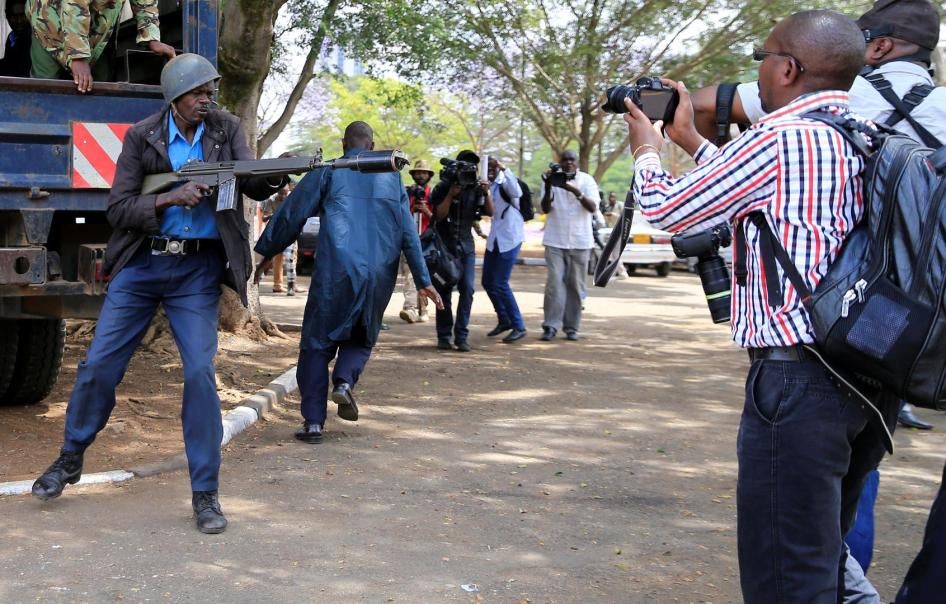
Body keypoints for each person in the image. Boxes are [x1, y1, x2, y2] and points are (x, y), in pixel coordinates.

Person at [623, 10, 890, 601]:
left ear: (789, 68)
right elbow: (754, 191)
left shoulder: (781, 138)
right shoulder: (859, 133)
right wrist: (690, 138)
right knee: (823, 557)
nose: (761, 70)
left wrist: (647, 151)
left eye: (762, 58)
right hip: (866, 376)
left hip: (799, 383)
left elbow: (669, 211)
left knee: (786, 576)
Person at [689, 0, 944, 589]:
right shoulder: (890, 121)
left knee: (791, 558)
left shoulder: (809, 114)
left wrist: (656, 144)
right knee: (832, 520)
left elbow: (704, 135)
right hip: (892, 350)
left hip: (810, 355)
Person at [30, 54, 285, 534]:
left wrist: (275, 175)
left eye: (211, 92)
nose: (206, 100)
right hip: (143, 265)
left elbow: (250, 177)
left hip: (197, 272)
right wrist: (171, 196)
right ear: (175, 97)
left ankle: (205, 493)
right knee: (100, 363)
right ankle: (70, 457)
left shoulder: (225, 128)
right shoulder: (142, 135)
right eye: (198, 93)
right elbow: (119, 208)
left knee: (199, 374)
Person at [254, 121, 443, 444]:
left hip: (336, 272)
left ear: (344, 144)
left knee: (316, 344)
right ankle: (343, 383)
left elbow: (292, 214)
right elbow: (408, 234)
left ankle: (314, 423)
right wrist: (423, 279)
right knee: (362, 336)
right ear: (371, 146)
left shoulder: (329, 170)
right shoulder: (392, 179)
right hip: (379, 275)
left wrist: (263, 255)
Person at [26, 0, 176, 93]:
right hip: (48, 24)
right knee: (44, 86)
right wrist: (78, 56)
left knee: (100, 86)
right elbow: (75, 4)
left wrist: (151, 36)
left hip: (98, 28)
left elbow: (145, 2)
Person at [430, 150, 494, 352]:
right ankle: (444, 336)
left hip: (466, 245)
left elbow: (490, 213)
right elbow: (438, 217)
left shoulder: (475, 189)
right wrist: (451, 193)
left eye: (472, 166)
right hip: (444, 245)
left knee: (468, 289)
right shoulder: (442, 187)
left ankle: (462, 336)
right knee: (444, 290)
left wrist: (486, 192)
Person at [539, 149, 599, 341]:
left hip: (581, 241)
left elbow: (593, 208)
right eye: (564, 160)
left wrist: (573, 190)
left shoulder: (587, 180)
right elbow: (545, 208)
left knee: (575, 285)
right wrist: (549, 186)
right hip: (555, 240)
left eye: (571, 159)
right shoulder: (552, 180)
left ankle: (572, 327)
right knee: (554, 284)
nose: (568, 163)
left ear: (577, 162)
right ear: (560, 162)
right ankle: (550, 326)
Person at [482, 157, 527, 343]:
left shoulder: (506, 183)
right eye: (487, 168)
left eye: (493, 167)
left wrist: (504, 168)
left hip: (510, 238)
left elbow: (517, 192)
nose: (491, 171)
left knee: (500, 283)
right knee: (487, 281)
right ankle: (504, 319)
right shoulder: (488, 186)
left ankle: (519, 326)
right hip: (495, 239)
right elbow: (488, 211)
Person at [399, 159, 435, 324]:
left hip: (428, 242)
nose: (421, 175)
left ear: (428, 175)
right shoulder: (407, 193)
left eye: (424, 172)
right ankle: (410, 308)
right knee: (409, 275)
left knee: (425, 275)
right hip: (410, 240)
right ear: (413, 175)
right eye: (418, 172)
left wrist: (426, 210)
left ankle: (424, 308)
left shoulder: (433, 194)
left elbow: (438, 220)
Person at [260, 182, 306, 296]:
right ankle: (276, 285)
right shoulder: (271, 200)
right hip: (276, 234)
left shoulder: (293, 197)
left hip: (290, 232)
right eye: (281, 194)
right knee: (272, 259)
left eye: (285, 194)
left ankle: (291, 286)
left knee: (291, 259)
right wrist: (275, 215)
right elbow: (264, 218)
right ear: (277, 192)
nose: (283, 197)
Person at [0, 1, 30, 77]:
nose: (19, 21)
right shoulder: (8, 38)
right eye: (14, 16)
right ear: (7, 16)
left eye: (22, 15)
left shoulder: (32, 39)